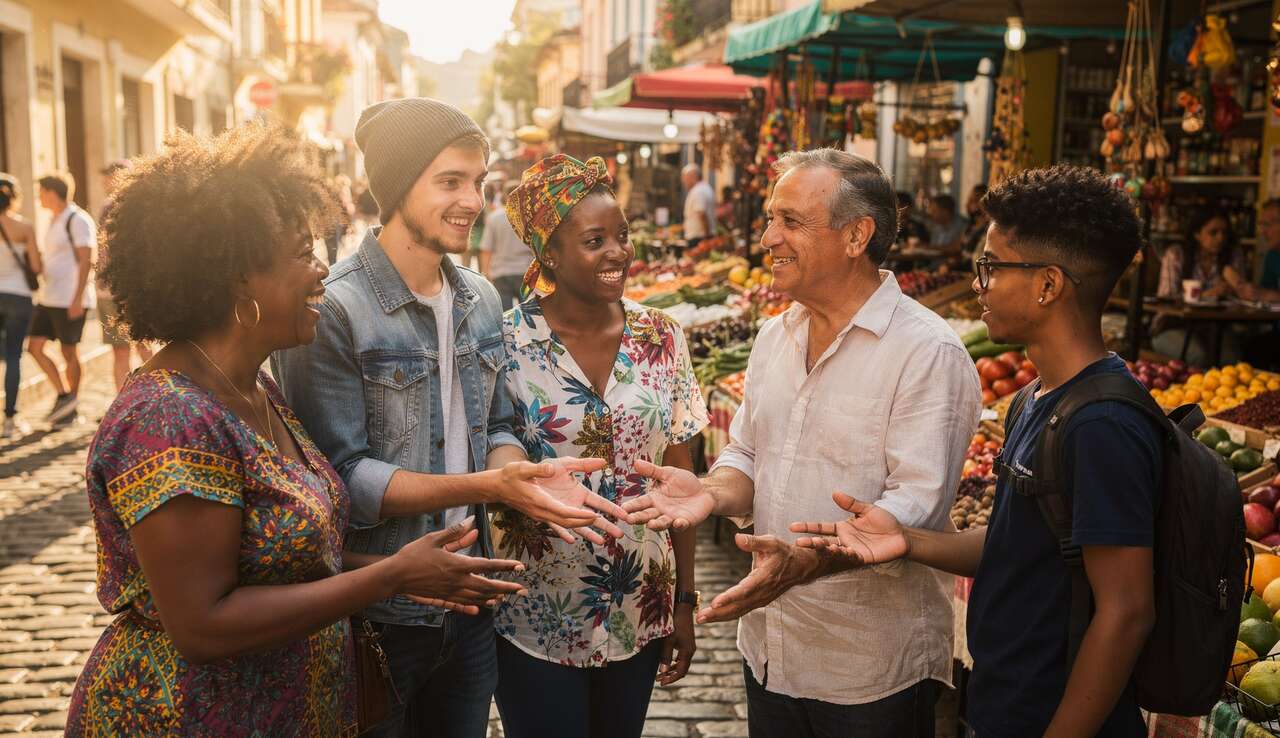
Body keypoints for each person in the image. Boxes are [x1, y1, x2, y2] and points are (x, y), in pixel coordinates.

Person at [64, 121, 531, 737]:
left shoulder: (256, 391)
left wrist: (415, 567)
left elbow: (289, 560)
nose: (320, 273)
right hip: (188, 716)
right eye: (300, 254)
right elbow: (204, 623)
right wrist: (391, 574)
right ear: (237, 278)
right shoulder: (168, 418)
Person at [272, 98, 628, 738]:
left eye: (478, 182)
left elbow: (495, 428)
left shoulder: (481, 297)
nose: (472, 200)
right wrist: (489, 487)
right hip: (376, 609)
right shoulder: (337, 308)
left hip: (471, 610)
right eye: (450, 181)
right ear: (397, 185)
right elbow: (336, 482)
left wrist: (522, 477)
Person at [790, 165, 1159, 738]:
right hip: (1003, 703)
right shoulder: (1036, 398)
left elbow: (1127, 609)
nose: (979, 283)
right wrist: (906, 541)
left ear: (1048, 284)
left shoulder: (1104, 424)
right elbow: (1019, 545)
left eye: (990, 266)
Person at [625, 148, 981, 738]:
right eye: (771, 219)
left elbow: (911, 509)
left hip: (868, 665)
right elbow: (746, 455)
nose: (768, 237)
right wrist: (709, 494)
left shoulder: (927, 353)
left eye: (791, 221)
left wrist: (804, 565)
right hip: (770, 647)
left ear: (856, 235)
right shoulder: (775, 335)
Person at [492, 154, 707, 738]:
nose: (619, 251)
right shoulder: (504, 342)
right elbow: (488, 462)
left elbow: (679, 478)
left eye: (622, 235)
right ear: (549, 255)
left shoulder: (662, 336)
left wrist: (685, 601)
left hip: (642, 605)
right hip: (538, 612)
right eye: (595, 240)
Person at [30, 172, 95, 424]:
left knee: (69, 351)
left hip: (70, 297)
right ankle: (63, 395)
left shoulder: (78, 220)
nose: (39, 198)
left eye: (41, 193)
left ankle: (73, 403)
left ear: (52, 192)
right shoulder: (53, 220)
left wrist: (77, 298)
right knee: (34, 347)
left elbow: (86, 259)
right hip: (49, 297)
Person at [1154, 207, 1248, 364]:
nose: (1220, 238)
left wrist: (1236, 286)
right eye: (1213, 232)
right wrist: (1206, 295)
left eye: (1224, 233)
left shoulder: (1232, 255)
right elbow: (1167, 299)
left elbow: (1243, 298)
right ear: (1197, 234)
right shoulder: (1177, 255)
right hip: (1173, 325)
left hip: (1216, 327)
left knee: (1231, 359)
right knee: (1197, 356)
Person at [96, 160, 154, 392]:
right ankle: (125, 400)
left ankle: (154, 394)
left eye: (109, 176)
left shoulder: (137, 207)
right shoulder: (107, 206)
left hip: (129, 287)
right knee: (124, 348)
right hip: (110, 287)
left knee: (141, 344)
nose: (105, 182)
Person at [0, 174, 40, 438]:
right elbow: (36, 267)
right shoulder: (24, 228)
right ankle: (10, 419)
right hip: (18, 296)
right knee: (14, 356)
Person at [1240, 199, 1280, 369]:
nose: (1263, 232)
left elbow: (1268, 294)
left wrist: (1268, 295)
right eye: (1261, 225)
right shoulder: (1273, 256)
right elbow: (1263, 294)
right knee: (1252, 348)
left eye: (1268, 225)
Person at [479, 180, 529, 311]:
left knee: (504, 317)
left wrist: (486, 272)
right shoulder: (529, 217)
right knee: (530, 315)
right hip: (526, 272)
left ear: (505, 196)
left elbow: (486, 249)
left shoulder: (494, 218)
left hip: (501, 273)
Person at [681, 164, 715, 248]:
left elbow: (702, 214)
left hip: (699, 238)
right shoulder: (702, 188)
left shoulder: (699, 191)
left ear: (693, 176)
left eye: (685, 178)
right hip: (700, 236)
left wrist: (706, 238)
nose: (683, 181)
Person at [960, 184, 990, 259]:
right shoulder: (971, 224)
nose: (971, 204)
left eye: (976, 200)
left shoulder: (989, 226)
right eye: (970, 200)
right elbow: (961, 249)